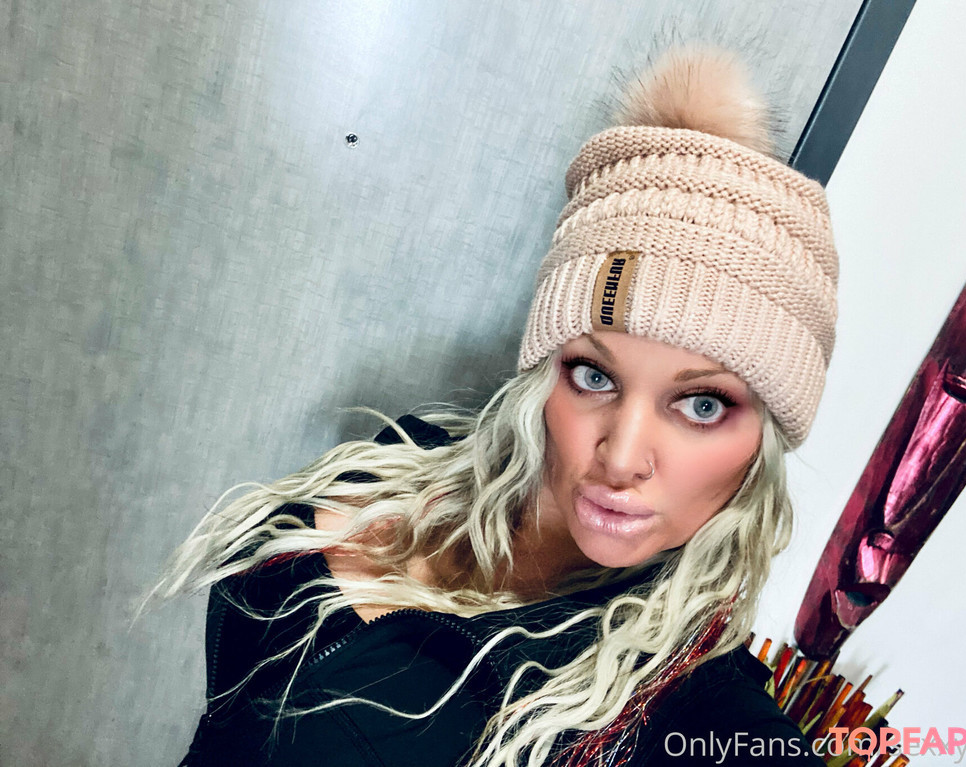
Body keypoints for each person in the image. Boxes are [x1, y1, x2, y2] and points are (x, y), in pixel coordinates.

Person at [157, 45, 838, 766]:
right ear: (546, 371)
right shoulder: (404, 456)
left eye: (701, 405)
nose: (621, 457)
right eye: (595, 376)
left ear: (764, 440)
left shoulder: (694, 715)